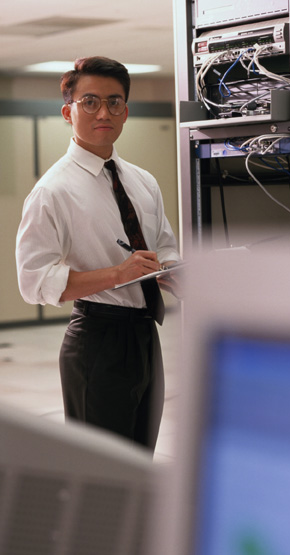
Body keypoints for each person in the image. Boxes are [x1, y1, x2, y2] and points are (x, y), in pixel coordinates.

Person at [15, 56, 181, 452]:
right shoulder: (52, 191)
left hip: (144, 336)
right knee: (102, 471)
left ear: (126, 112)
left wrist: (172, 271)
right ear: (67, 112)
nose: (103, 112)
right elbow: (34, 282)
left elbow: (164, 245)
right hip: (96, 341)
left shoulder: (142, 181)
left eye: (114, 102)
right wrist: (117, 275)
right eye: (89, 101)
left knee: (141, 461)